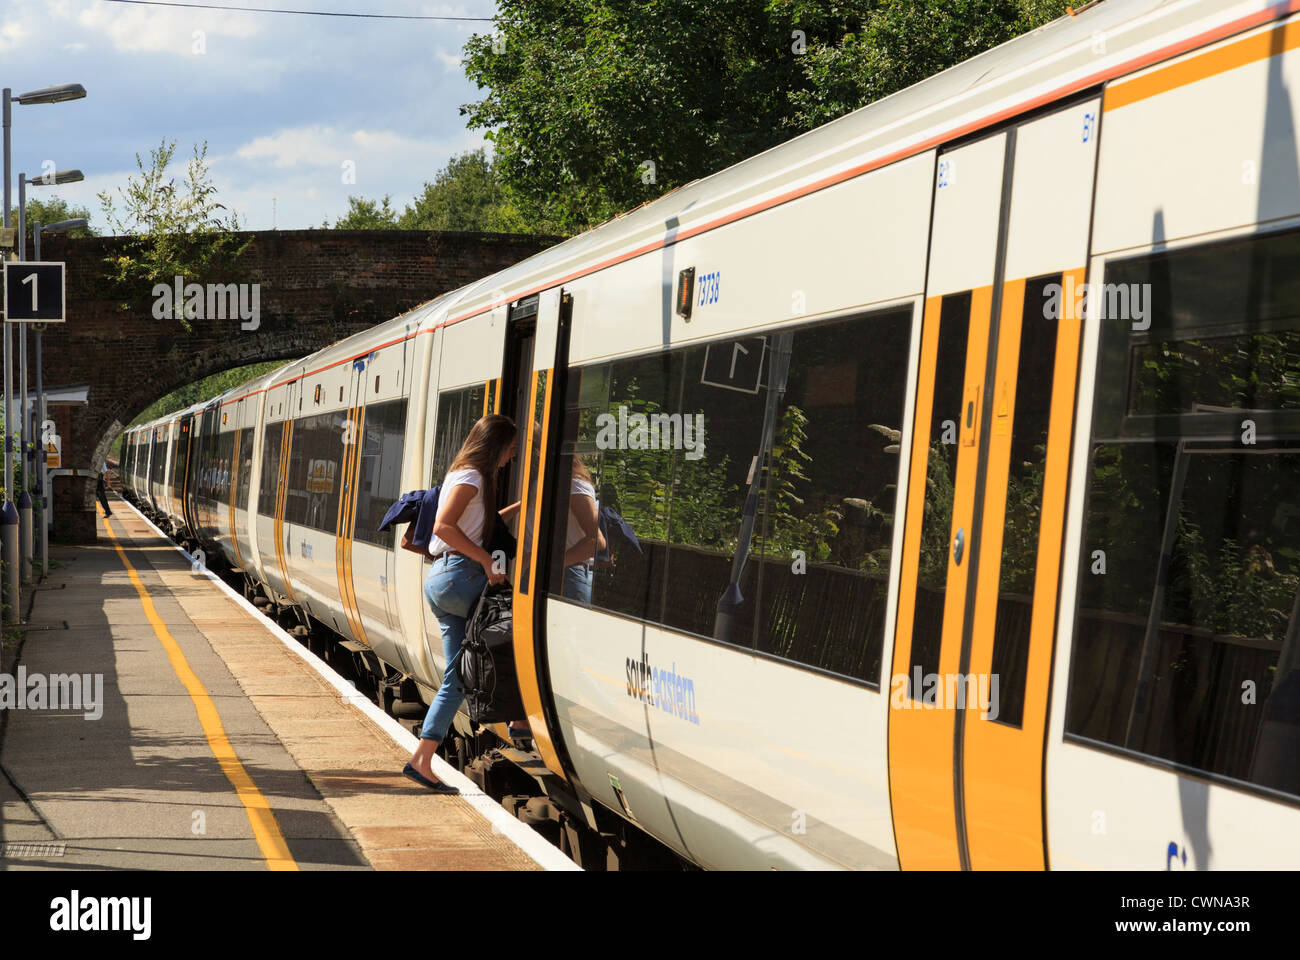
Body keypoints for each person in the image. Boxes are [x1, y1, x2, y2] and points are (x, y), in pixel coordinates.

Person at [404, 414, 519, 793]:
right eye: (511, 448)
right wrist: (487, 561)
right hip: (460, 576)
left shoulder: (466, 476)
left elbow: (473, 525)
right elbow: (444, 528)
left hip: (446, 580)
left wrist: (519, 507)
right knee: (517, 629)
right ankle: (522, 722)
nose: (512, 455)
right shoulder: (472, 476)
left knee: (457, 676)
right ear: (496, 445)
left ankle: (421, 760)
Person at [560, 456, 604, 604]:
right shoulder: (571, 484)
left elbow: (596, 540)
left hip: (568, 574)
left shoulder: (574, 485)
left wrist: (552, 565)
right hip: (570, 572)